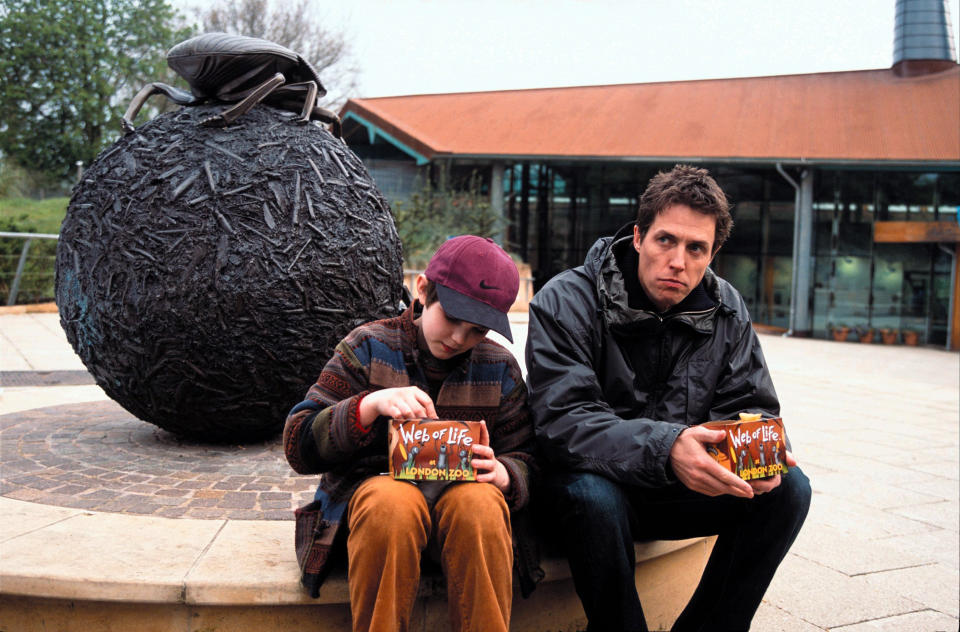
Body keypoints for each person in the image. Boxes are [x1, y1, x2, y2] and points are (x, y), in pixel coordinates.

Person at [525, 165, 811, 632]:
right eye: (665, 241)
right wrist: (668, 447)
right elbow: (564, 421)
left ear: (712, 252)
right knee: (592, 495)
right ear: (638, 237)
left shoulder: (727, 308)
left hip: (677, 491)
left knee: (790, 490)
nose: (678, 261)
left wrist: (755, 451)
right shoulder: (566, 299)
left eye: (695, 248)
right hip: (589, 491)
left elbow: (751, 403)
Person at [284, 235, 539, 632]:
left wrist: (508, 473)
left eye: (476, 330)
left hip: (466, 522)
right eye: (452, 318)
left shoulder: (499, 367)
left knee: (482, 504)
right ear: (422, 290)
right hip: (378, 523)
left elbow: (529, 456)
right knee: (392, 503)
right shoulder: (368, 346)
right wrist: (367, 406)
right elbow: (298, 443)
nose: (458, 338)